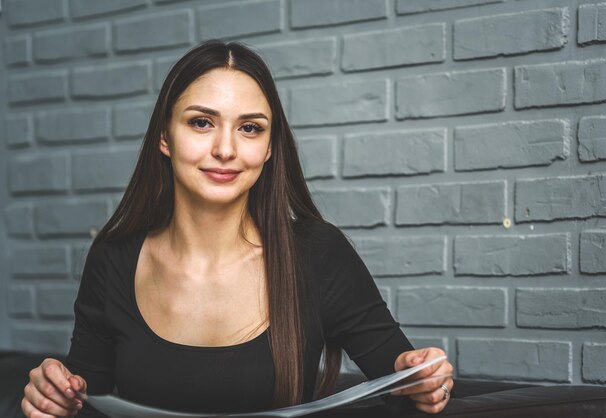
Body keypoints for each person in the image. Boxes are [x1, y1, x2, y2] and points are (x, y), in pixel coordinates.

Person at [21, 40, 454, 418]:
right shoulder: (114, 257)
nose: (225, 149)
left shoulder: (318, 253)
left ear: (268, 148)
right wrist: (53, 399)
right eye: (201, 122)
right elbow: (84, 401)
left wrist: (423, 378)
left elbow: (403, 381)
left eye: (249, 128)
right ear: (165, 137)